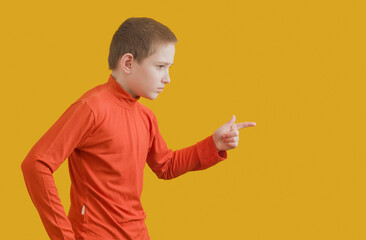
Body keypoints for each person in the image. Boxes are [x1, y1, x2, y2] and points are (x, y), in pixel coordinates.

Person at [21, 17, 256, 240]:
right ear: (128, 63)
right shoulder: (91, 107)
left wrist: (213, 144)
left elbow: (166, 166)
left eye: (169, 67)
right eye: (161, 66)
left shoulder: (146, 116)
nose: (168, 78)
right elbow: (36, 163)